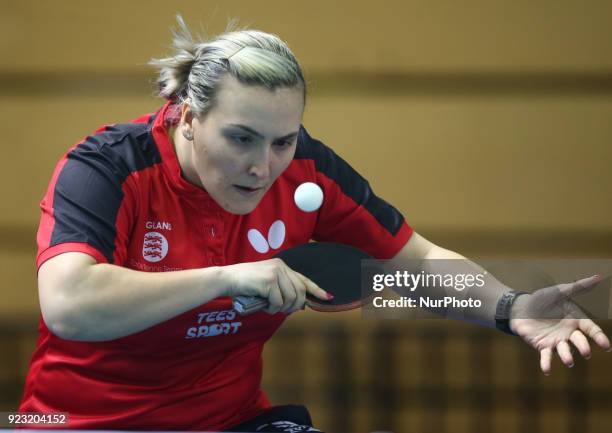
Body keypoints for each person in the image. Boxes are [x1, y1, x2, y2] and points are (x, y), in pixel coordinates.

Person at [19, 15, 610, 433]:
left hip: (230, 422)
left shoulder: (307, 173)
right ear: (190, 117)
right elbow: (70, 304)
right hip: (74, 422)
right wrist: (227, 278)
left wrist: (512, 308)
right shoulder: (106, 168)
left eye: (282, 140)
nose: (261, 166)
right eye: (241, 138)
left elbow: (414, 264)